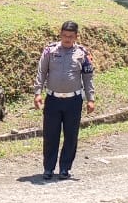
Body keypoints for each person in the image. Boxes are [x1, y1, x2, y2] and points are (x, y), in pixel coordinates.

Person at [33, 20, 95, 181]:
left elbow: (88, 78)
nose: (67, 39)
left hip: (73, 101)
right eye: (64, 35)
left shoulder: (82, 53)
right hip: (53, 100)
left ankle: (65, 169)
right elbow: (41, 72)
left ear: (76, 36)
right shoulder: (50, 51)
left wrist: (91, 99)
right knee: (50, 135)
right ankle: (48, 168)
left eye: (70, 36)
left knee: (71, 136)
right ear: (60, 34)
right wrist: (37, 93)